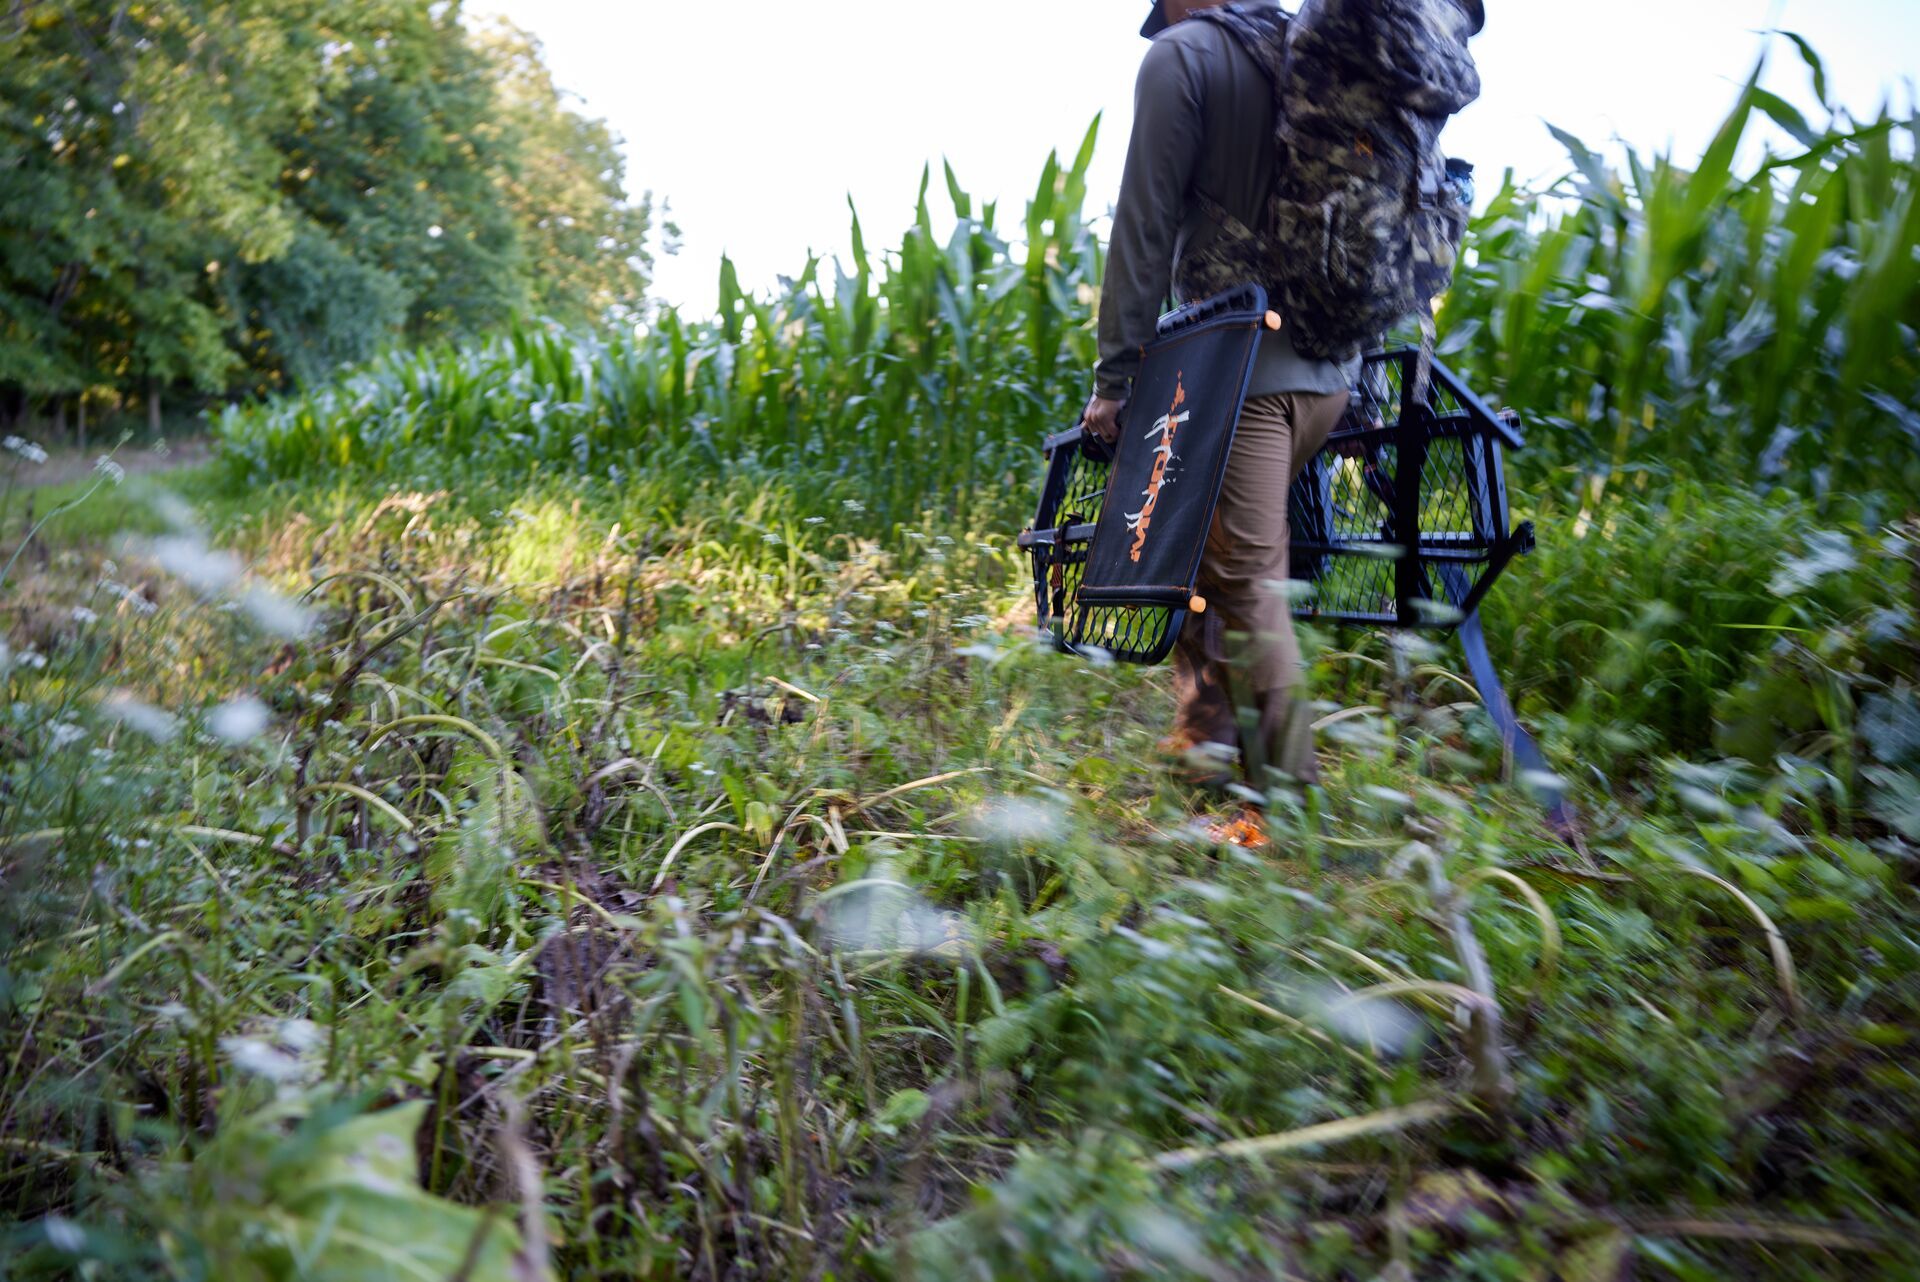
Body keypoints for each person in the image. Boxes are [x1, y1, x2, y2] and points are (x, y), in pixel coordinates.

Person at [1083, 0, 1358, 792]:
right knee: (1196, 541)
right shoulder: (1300, 50)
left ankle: (1290, 802)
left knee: (1245, 581)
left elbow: (1143, 222)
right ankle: (1204, 742)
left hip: (1245, 376)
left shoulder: (1181, 57)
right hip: (1327, 377)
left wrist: (1115, 378)